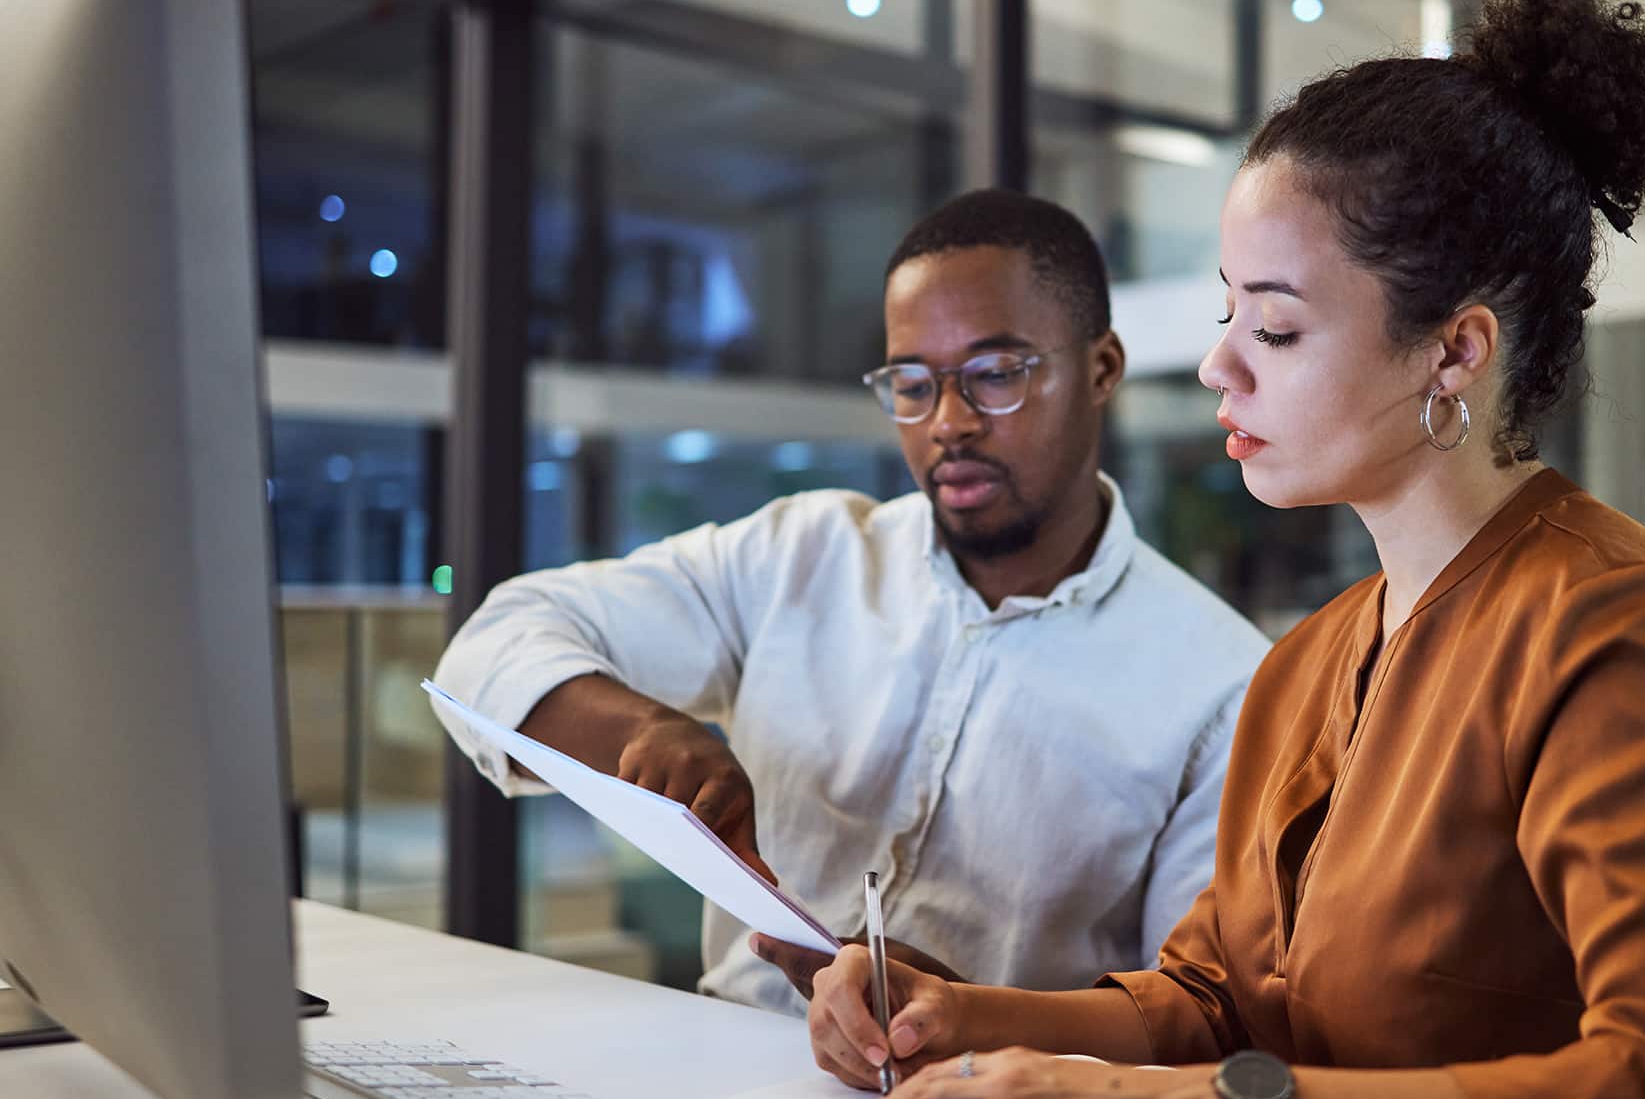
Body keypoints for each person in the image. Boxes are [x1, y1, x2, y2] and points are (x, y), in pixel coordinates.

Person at [801, 0, 1645, 1099]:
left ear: (1455, 350)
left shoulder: (1612, 628)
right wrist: (959, 1016)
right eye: (1229, 317)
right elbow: (1218, 999)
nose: (1219, 363)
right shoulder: (1312, 658)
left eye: (1272, 329)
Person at [432, 189, 1270, 1015]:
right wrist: (640, 731)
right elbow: (492, 644)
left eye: (995, 374)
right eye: (912, 382)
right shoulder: (799, 556)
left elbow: (1194, 1015)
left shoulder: (1224, 685)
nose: (949, 422)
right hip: (720, 1064)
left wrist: (968, 1012)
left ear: (1101, 369)